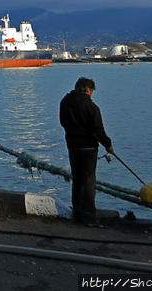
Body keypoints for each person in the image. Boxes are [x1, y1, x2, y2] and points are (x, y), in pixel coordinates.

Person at [59, 77, 114, 226]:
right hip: (88, 147)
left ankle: (77, 213)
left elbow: (63, 122)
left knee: (77, 179)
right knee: (88, 181)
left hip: (72, 145)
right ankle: (89, 217)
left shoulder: (65, 102)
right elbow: (98, 130)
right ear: (89, 90)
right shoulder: (91, 107)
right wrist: (108, 145)